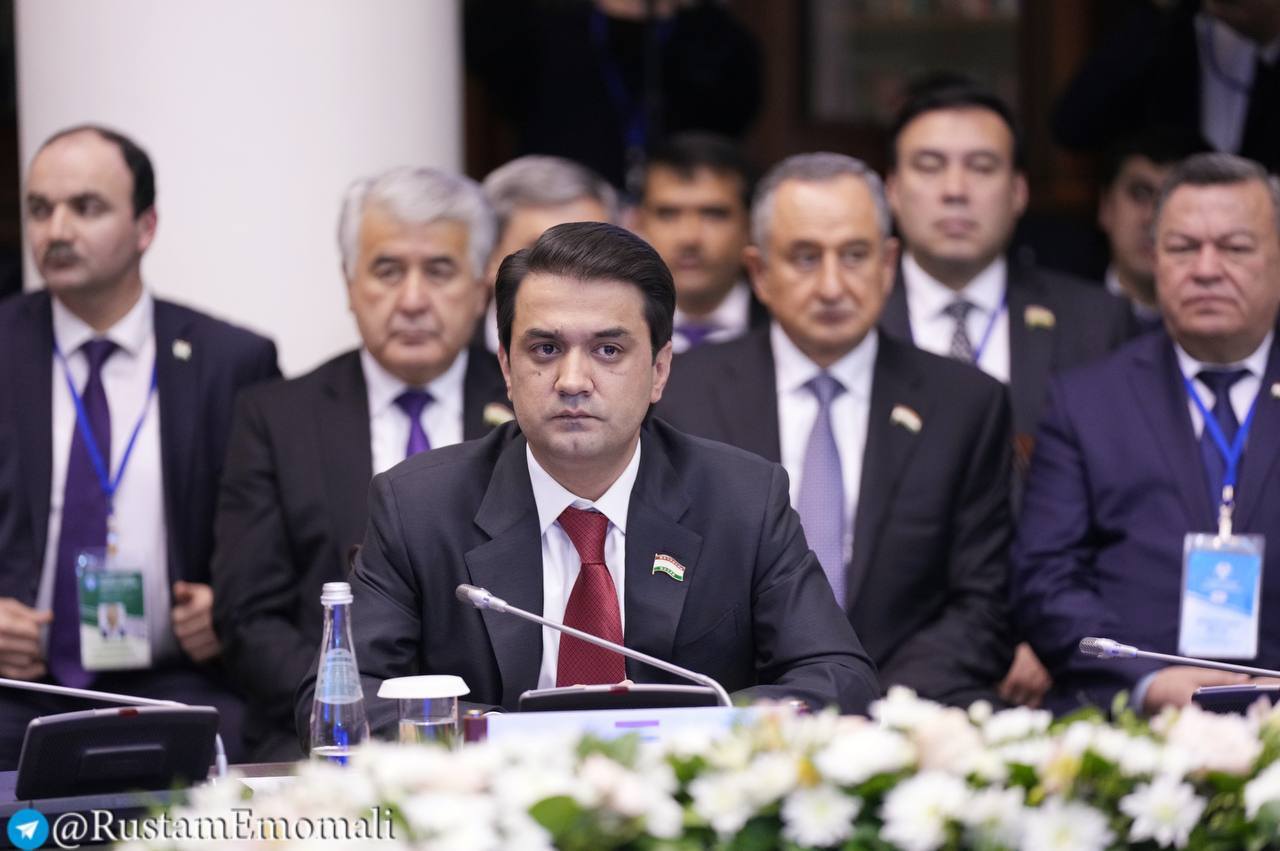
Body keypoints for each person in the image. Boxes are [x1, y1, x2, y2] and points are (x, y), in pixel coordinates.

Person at [294, 222, 880, 740]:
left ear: (659, 370)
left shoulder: (742, 500)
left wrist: (689, 736)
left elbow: (839, 678)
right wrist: (514, 741)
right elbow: (340, 699)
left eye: (608, 350)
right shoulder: (419, 506)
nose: (572, 380)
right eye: (545, 348)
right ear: (506, 367)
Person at [658, 153, 1013, 707]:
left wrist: (872, 708)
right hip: (736, 718)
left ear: (888, 264)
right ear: (760, 272)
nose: (831, 286)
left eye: (854, 256)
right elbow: (661, 586)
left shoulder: (965, 404)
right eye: (805, 257)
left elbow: (984, 600)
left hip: (912, 714)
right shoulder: (680, 396)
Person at [0, 125, 280, 767]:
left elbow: (274, 535)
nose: (56, 230)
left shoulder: (228, 360)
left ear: (145, 226)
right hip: (15, 685)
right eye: (40, 209)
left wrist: (229, 607)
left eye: (86, 207)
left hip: (179, 679)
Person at [212, 167, 510, 760]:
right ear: (350, 285)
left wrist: (465, 724)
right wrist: (348, 706)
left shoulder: (526, 408)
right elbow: (248, 618)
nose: (413, 300)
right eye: (387, 270)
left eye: (440, 270)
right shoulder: (277, 417)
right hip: (321, 738)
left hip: (493, 733)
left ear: (482, 289)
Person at [879, 79, 1131, 707]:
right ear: (891, 191)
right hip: (884, 660)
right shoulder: (848, 319)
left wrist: (1054, 638)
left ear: (1019, 191)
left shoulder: (1095, 323)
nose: (955, 189)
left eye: (981, 166)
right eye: (929, 165)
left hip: (1055, 668)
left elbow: (1120, 508)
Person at [1014, 152, 1280, 715]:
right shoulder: (1088, 401)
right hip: (1134, 716)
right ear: (1154, 257)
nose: (1206, 269)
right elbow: (1045, 580)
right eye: (1183, 247)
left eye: (1235, 247)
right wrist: (1147, 680)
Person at [1053, 0, 1280, 173]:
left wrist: (1272, 31)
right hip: (1169, 206)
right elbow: (1073, 126)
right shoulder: (1165, 26)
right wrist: (1158, 10)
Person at [635, 132, 768, 352]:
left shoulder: (789, 330)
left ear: (751, 226)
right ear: (638, 224)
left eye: (713, 214)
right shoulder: (606, 326)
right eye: (668, 214)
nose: (689, 238)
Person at [478, 155, 618, 354]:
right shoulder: (449, 353)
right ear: (491, 259)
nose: (572, 270)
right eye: (544, 253)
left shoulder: (648, 354)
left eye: (591, 249)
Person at [1097, 126, 1209, 328]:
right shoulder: (1064, 316)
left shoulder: (1224, 329)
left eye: (1172, 199)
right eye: (1140, 194)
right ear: (1106, 207)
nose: (1153, 218)